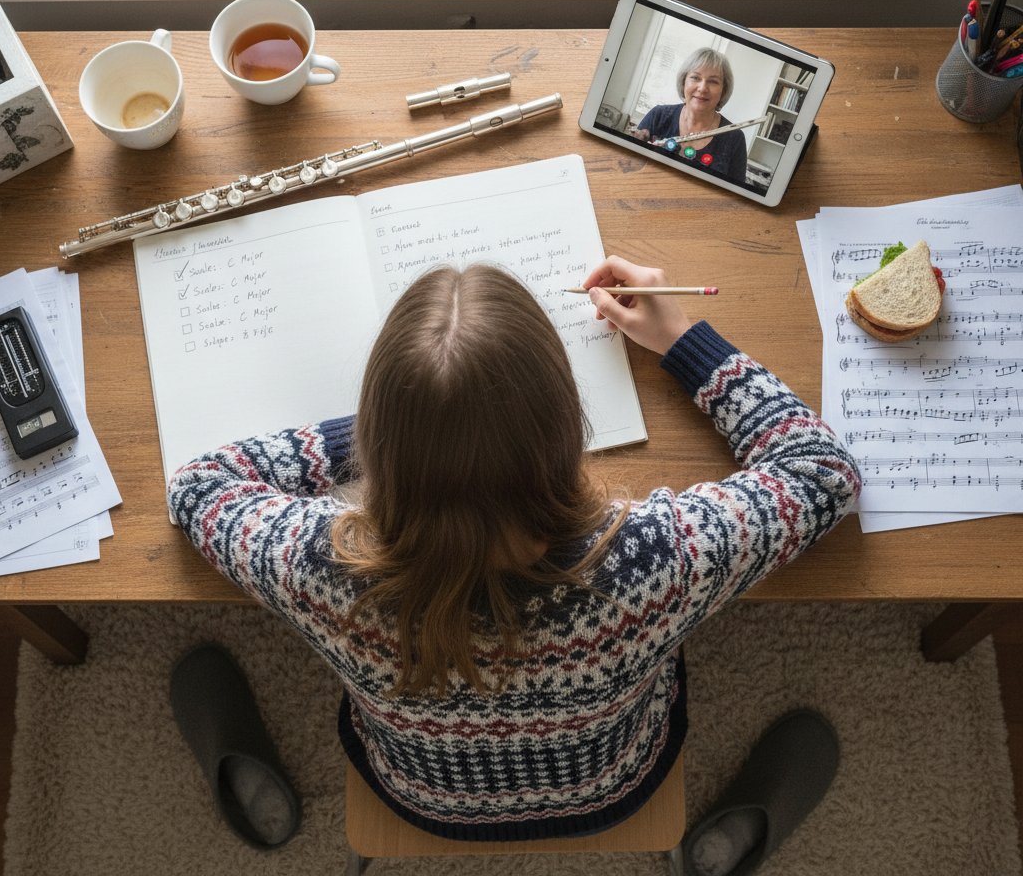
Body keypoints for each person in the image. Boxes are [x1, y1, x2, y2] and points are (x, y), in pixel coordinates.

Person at [167, 256, 860, 843]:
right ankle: (729, 839)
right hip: (614, 785)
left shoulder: (317, 565)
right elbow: (821, 472)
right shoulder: (655, 561)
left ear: (380, 438)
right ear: (565, 425)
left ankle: (252, 785)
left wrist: (414, 434)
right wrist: (681, 337)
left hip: (419, 796)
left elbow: (200, 487)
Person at [633, 47, 748, 185]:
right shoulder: (658, 116)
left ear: (723, 90)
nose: (702, 88)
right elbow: (630, 167)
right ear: (683, 82)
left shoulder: (734, 138)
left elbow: (736, 197)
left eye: (713, 81)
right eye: (695, 78)